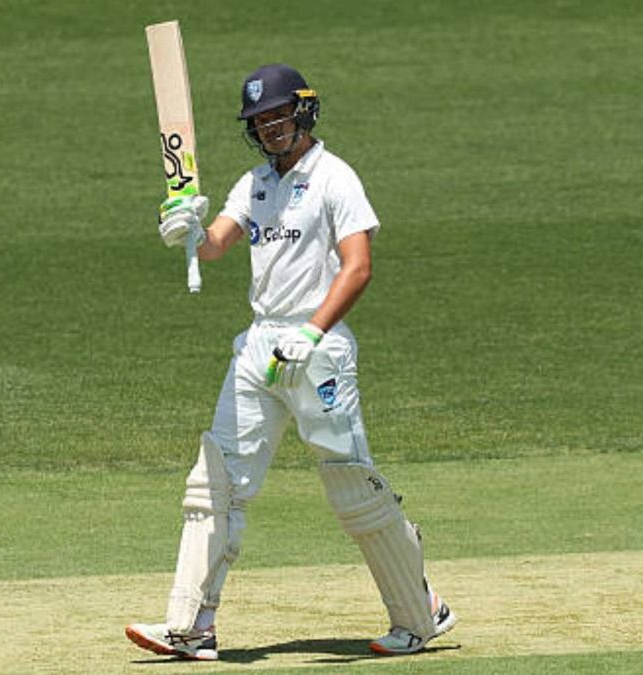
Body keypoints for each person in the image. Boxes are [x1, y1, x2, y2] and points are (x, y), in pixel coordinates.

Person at [125, 64, 456, 661]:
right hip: (259, 347)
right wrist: (184, 226)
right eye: (260, 121)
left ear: (303, 112)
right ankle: (191, 626)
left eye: (278, 115)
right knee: (215, 480)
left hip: (317, 350)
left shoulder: (335, 178)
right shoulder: (254, 183)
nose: (270, 128)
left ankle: (419, 614)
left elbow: (358, 267)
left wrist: (311, 332)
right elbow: (216, 245)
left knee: (350, 486)